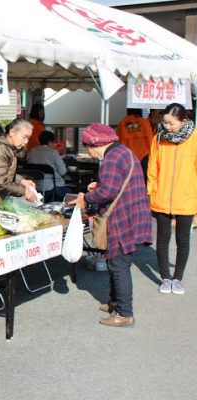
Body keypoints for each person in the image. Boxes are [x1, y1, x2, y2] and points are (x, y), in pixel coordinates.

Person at [71, 123, 152, 328]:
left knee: (118, 265)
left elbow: (107, 192)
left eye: (88, 147)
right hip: (133, 212)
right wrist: (98, 186)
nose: (88, 151)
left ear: (95, 144)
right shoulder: (123, 151)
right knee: (117, 262)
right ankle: (115, 302)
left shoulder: (111, 158)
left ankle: (125, 313)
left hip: (122, 217)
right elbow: (114, 184)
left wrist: (86, 197)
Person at [147, 103, 197, 295]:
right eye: (165, 122)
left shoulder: (194, 138)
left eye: (171, 123)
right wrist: (150, 191)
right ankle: (165, 277)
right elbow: (153, 167)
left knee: (183, 240)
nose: (167, 127)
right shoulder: (159, 138)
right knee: (162, 238)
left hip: (187, 197)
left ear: (183, 121)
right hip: (161, 197)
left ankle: (178, 278)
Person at [26, 130, 71, 201]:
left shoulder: (32, 151)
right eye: (53, 142)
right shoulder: (53, 152)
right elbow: (63, 171)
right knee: (70, 193)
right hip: (53, 187)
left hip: (36, 186)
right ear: (50, 142)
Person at [116, 108, 153, 178]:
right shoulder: (145, 122)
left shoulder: (122, 123)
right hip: (144, 158)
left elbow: (118, 142)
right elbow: (151, 139)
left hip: (128, 158)